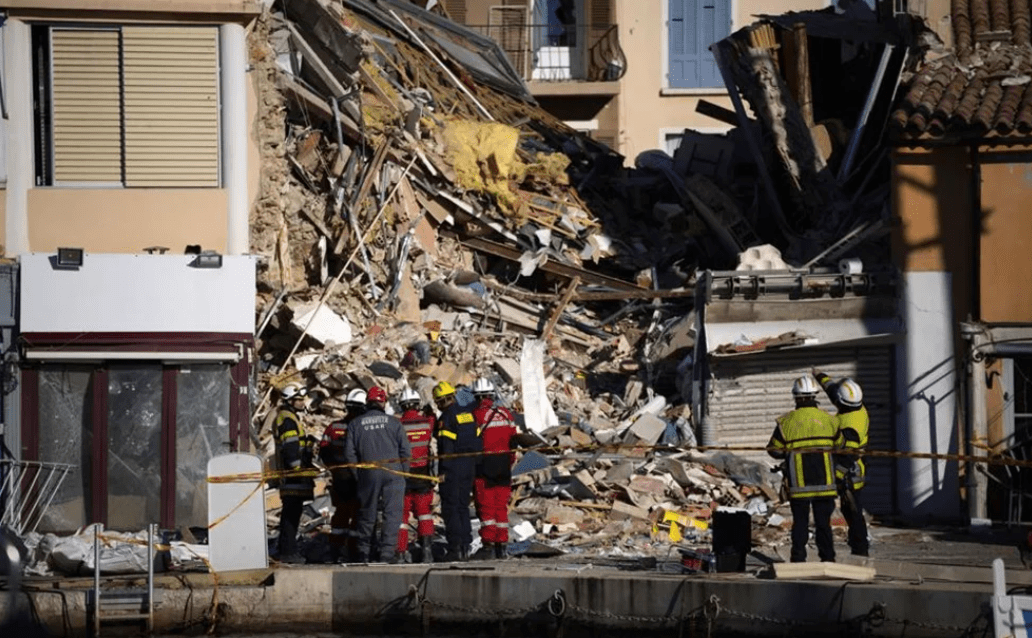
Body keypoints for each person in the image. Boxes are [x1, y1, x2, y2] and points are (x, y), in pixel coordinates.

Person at [767, 376, 844, 563]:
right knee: (823, 524)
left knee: (800, 524)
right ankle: (828, 559)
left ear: (796, 397)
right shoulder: (830, 420)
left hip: (799, 486)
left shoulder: (786, 422)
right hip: (825, 484)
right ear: (815, 396)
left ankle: (798, 558)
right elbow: (840, 446)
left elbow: (774, 451)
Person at [343, 386, 410, 563]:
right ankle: (387, 553)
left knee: (367, 513)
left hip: (368, 473)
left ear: (367, 402)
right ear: (383, 402)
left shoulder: (355, 424)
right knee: (392, 513)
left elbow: (349, 454)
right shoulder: (394, 422)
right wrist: (404, 474)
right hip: (394, 473)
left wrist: (359, 474)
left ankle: (364, 552)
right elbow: (405, 451)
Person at [814, 370, 870, 557]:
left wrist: (835, 477)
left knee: (853, 514)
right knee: (852, 513)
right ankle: (858, 547)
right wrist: (821, 377)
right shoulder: (858, 408)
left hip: (849, 474)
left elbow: (849, 456)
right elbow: (834, 393)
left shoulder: (850, 425)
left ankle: (860, 550)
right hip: (850, 471)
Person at [433, 380, 482, 562]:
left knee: (451, 508)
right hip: (468, 466)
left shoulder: (446, 418)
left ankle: (455, 548)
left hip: (452, 468)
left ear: (440, 401)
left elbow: (446, 447)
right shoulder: (468, 414)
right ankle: (466, 545)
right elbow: (478, 441)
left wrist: (443, 470)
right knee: (462, 507)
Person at [471, 378, 517, 560]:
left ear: (478, 397)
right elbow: (514, 441)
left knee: (487, 507)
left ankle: (488, 546)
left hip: (485, 466)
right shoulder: (506, 414)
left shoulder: (476, 415)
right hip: (504, 465)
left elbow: (473, 443)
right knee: (501, 507)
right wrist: (510, 460)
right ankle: (502, 547)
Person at [319, 388, 367, 563]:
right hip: (358, 479)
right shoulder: (362, 429)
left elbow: (323, 450)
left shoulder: (333, 427)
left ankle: (335, 551)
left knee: (340, 514)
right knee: (357, 515)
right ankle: (354, 553)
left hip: (340, 479)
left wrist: (334, 469)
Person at [274, 382, 317, 564]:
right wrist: (301, 468)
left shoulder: (288, 417)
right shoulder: (288, 419)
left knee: (291, 514)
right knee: (291, 516)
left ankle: (287, 550)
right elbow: (291, 449)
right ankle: (288, 552)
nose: (302, 402)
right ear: (290, 401)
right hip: (294, 476)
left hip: (293, 475)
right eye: (298, 399)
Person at [397, 387, 436, 563]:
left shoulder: (397, 425)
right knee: (424, 514)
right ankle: (427, 551)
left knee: (402, 516)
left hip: (403, 475)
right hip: (423, 475)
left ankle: (401, 552)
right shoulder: (426, 422)